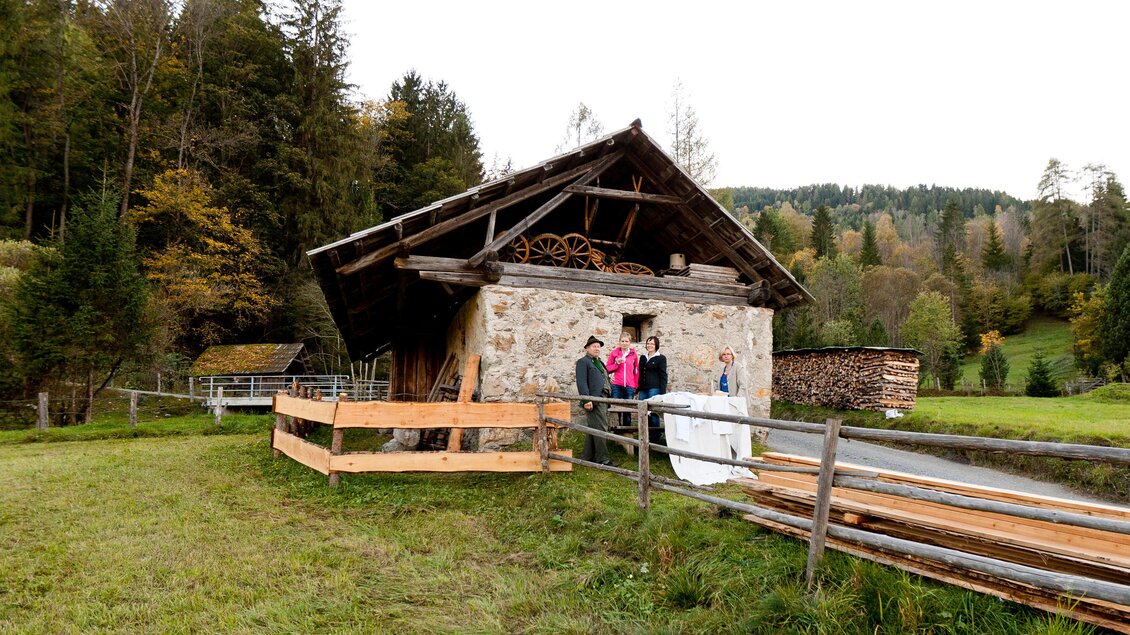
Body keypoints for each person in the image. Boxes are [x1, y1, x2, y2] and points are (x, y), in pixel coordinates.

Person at [576, 334, 614, 466]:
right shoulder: (583, 362)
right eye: (594, 346)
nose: (597, 348)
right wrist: (586, 400)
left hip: (603, 398)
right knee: (601, 428)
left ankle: (587, 456)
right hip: (594, 399)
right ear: (587, 348)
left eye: (598, 346)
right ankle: (603, 459)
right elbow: (582, 383)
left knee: (594, 427)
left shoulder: (600, 362)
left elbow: (601, 378)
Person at [637, 336, 668, 441]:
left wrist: (662, 392)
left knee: (653, 412)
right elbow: (640, 373)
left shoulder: (661, 358)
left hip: (654, 388)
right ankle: (644, 434)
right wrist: (637, 387)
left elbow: (663, 375)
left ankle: (655, 436)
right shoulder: (643, 357)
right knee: (642, 412)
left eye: (652, 344)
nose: (650, 345)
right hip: (643, 389)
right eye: (648, 343)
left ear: (656, 345)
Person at [605, 332, 639, 426]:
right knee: (616, 408)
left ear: (630, 342)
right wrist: (616, 364)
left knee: (628, 409)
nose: (624, 343)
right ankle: (616, 429)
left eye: (626, 341)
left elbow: (636, 371)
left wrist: (635, 385)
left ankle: (627, 430)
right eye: (622, 341)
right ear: (619, 342)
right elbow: (607, 368)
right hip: (616, 385)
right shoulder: (614, 353)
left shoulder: (633, 354)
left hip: (629, 386)